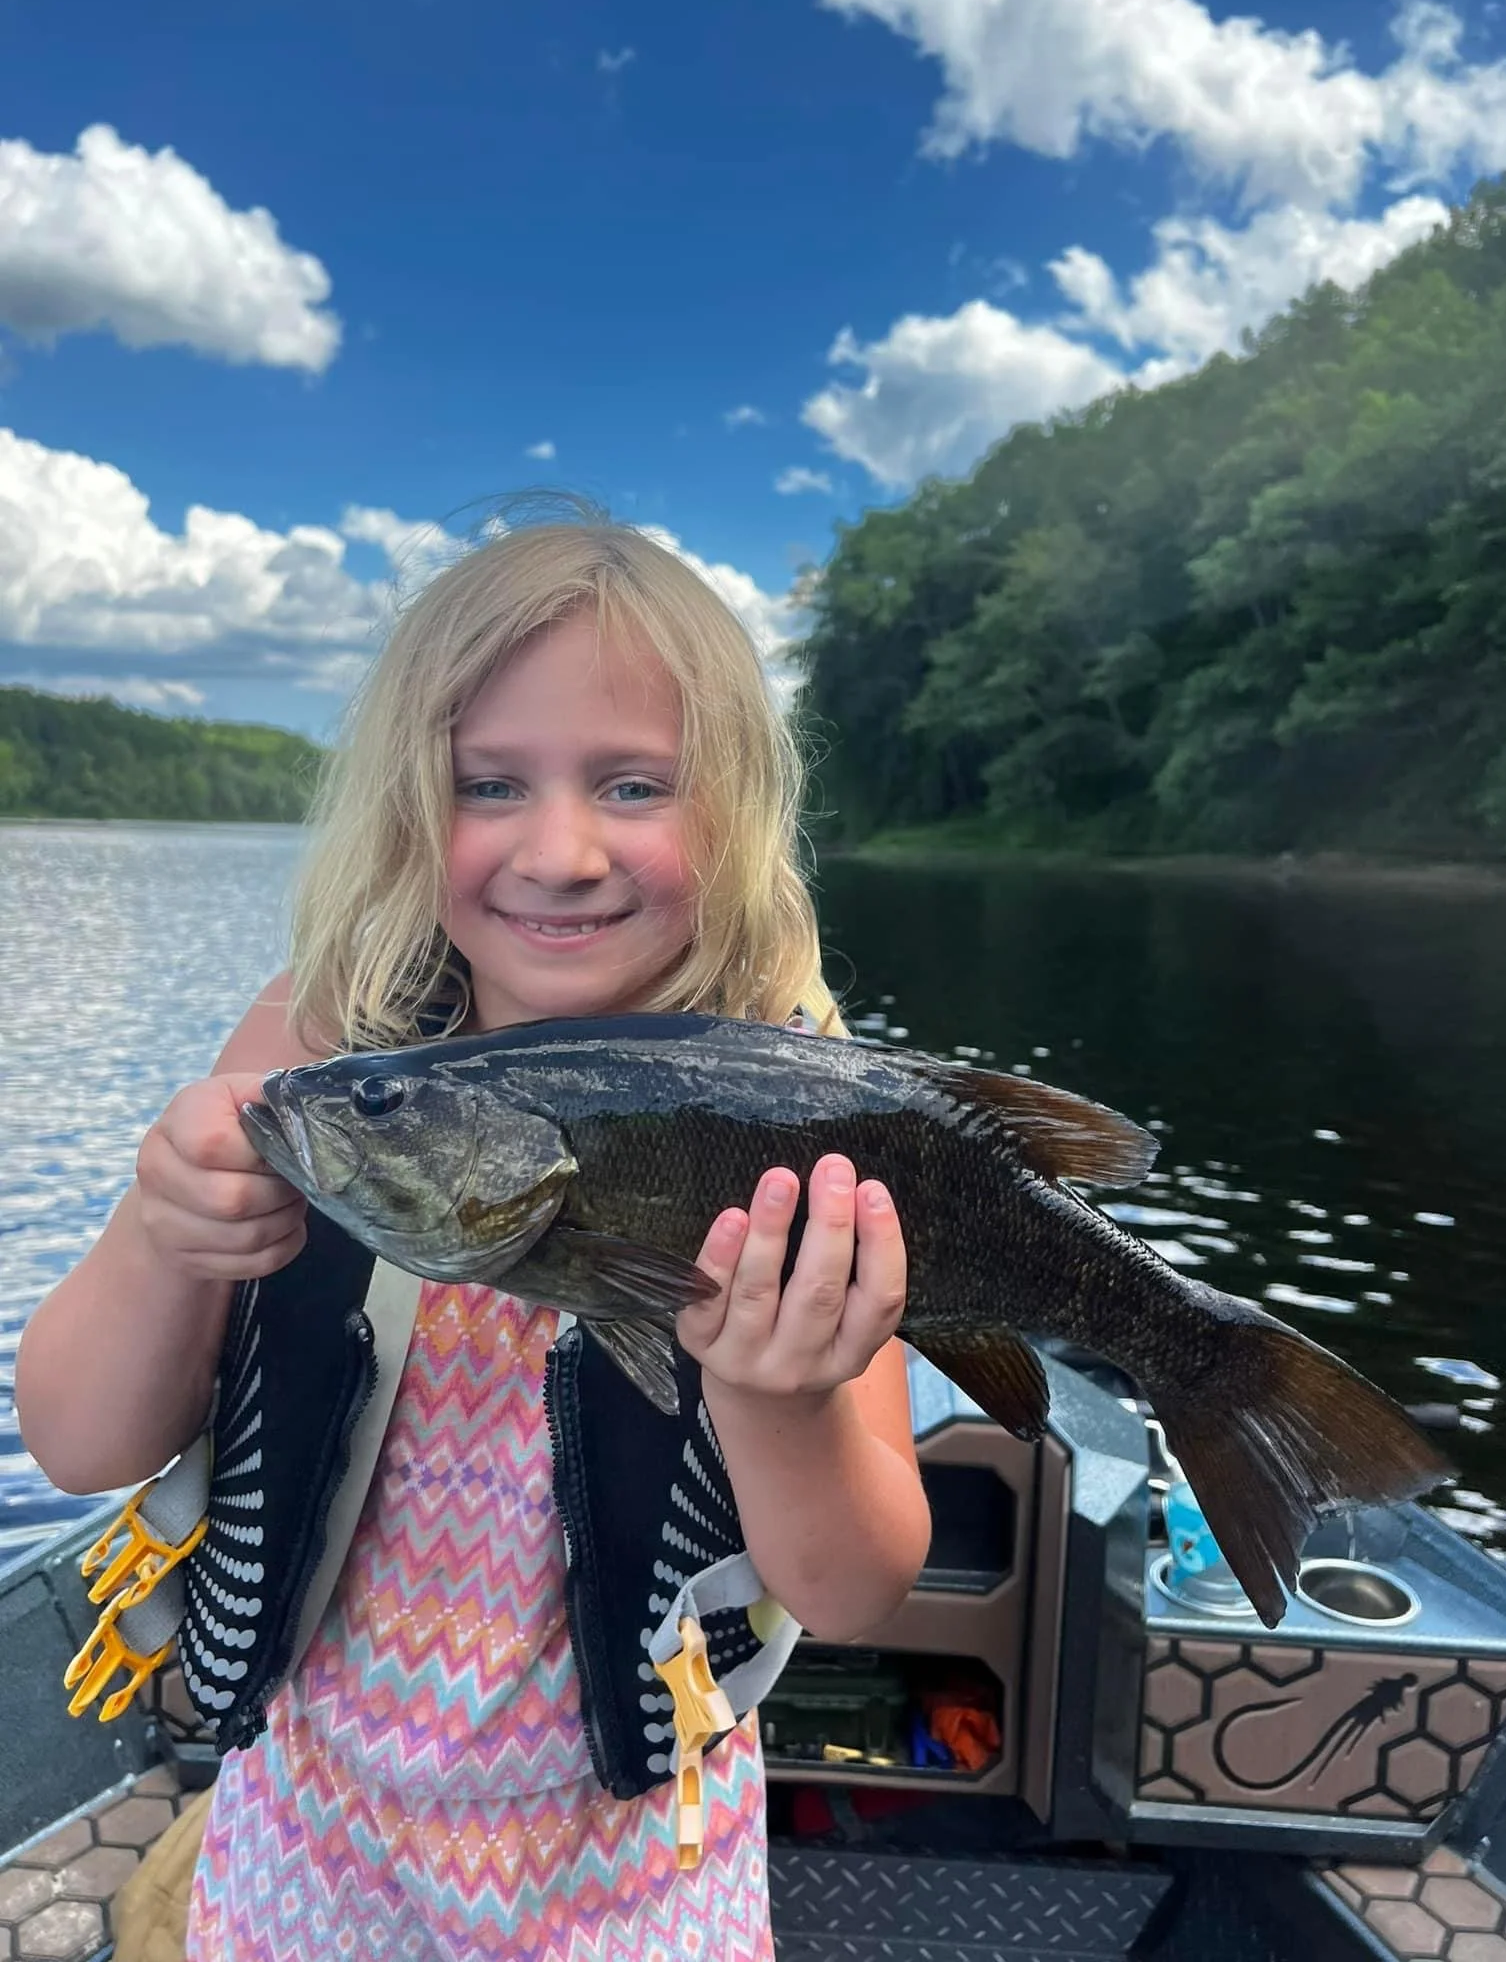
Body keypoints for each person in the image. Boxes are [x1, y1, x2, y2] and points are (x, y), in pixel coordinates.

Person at [16, 504, 932, 1961]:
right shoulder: (325, 1049)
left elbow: (852, 1583)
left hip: (635, 1863)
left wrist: (777, 1389)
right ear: (407, 805)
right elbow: (72, 1444)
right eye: (488, 784)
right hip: (308, 1832)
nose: (558, 851)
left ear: (735, 807)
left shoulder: (793, 1089)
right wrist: (158, 1232)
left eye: (634, 784)